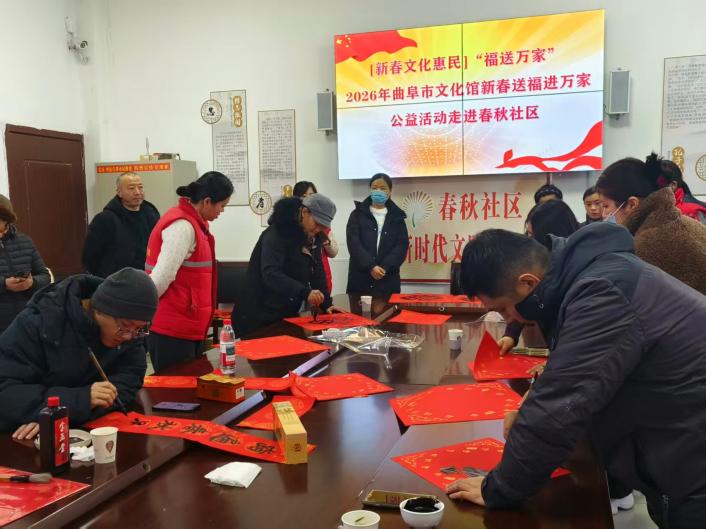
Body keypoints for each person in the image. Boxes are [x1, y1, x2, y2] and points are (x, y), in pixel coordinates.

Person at [449, 224, 706, 528]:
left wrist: (499, 488)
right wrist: (533, 400)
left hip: (692, 454)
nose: (510, 319)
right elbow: (574, 369)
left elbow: (558, 408)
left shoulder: (602, 293)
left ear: (527, 283)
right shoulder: (591, 275)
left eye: (504, 309)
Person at [0, 267, 158, 438]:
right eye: (125, 326)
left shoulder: (132, 332)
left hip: (80, 431)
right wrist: (73, 403)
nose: (129, 336)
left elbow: (129, 379)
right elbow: (6, 391)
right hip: (24, 435)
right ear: (98, 309)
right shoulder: (39, 321)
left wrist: (64, 415)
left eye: (140, 328)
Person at [145, 171, 233, 372]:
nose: (222, 211)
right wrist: (142, 316)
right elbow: (161, 278)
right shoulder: (182, 227)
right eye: (222, 205)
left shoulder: (196, 224)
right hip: (172, 330)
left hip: (187, 326)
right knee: (176, 389)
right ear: (207, 201)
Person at [596, 155, 706, 295]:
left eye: (606, 206)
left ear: (632, 204)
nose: (603, 214)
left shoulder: (644, 246)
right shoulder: (685, 223)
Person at [234, 194, 338, 337]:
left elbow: (317, 272)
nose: (318, 229)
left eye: (323, 226)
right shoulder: (277, 234)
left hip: (286, 312)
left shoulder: (313, 237)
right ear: (305, 212)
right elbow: (271, 274)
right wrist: (305, 292)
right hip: (259, 313)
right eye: (317, 223)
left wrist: (326, 304)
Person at [82, 172, 160, 277]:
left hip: (147, 278)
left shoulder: (151, 214)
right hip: (115, 280)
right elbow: (90, 256)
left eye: (140, 187)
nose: (137, 192)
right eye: (131, 188)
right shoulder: (105, 219)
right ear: (119, 193)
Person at [346, 173, 409, 296]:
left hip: (387, 279)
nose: (378, 191)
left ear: (390, 192)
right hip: (361, 279)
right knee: (359, 309)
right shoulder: (357, 214)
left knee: (389, 308)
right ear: (370, 190)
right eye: (374, 188)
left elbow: (401, 245)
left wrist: (384, 267)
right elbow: (354, 243)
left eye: (383, 188)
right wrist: (370, 266)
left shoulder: (397, 217)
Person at [0, 194, 51, 332]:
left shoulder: (25, 241)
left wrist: (31, 283)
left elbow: (44, 275)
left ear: (6, 219)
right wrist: (4, 284)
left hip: (27, 320)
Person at [293, 181, 338, 293]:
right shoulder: (288, 230)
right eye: (304, 196)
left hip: (319, 280)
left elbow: (333, 253)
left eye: (311, 195)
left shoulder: (322, 228)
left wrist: (326, 242)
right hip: (296, 288)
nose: (308, 199)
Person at [645, 152, 706, 224]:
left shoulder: (691, 211)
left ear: (673, 185)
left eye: (657, 187)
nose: (653, 192)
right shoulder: (658, 211)